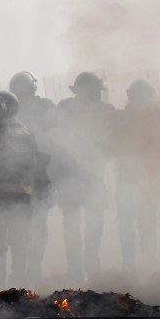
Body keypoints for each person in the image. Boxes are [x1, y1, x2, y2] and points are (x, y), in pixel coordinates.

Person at [56, 71, 118, 282]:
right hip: (69, 174)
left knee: (95, 223)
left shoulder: (106, 111)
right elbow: (55, 138)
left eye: (96, 90)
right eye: (91, 89)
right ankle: (74, 268)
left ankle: (91, 265)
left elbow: (113, 141)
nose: (95, 93)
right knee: (71, 223)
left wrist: (98, 156)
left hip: (94, 174)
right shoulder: (65, 108)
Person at [0, 90, 38, 293]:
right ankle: (20, 288)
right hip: (22, 196)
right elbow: (32, 165)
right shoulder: (25, 131)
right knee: (20, 244)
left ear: (3, 109)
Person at [9, 72, 56, 284]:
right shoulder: (10, 112)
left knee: (35, 225)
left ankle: (30, 270)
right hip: (18, 176)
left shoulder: (44, 108)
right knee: (22, 226)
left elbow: (54, 139)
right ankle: (22, 272)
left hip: (37, 176)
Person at [116, 79, 160, 273]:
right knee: (126, 224)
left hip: (151, 179)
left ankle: (150, 265)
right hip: (126, 178)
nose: (141, 99)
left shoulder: (159, 120)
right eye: (137, 95)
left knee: (148, 223)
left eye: (144, 95)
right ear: (130, 97)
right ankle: (129, 265)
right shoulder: (120, 119)